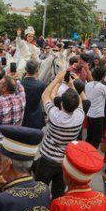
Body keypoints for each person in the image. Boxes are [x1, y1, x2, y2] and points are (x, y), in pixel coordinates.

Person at [34, 71, 85, 199]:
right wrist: (72, 85)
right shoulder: (80, 116)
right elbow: (79, 101)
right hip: (64, 161)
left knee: (40, 190)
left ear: (61, 103)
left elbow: (45, 95)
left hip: (47, 159)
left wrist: (57, 79)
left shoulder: (54, 115)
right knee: (58, 192)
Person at [84, 65, 106, 148]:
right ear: (103, 77)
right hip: (98, 115)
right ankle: (91, 153)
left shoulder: (87, 85)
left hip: (89, 113)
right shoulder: (102, 87)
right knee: (97, 137)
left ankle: (85, 149)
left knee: (90, 134)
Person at [21, 60, 46, 129]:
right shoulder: (41, 85)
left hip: (22, 119)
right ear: (37, 70)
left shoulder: (19, 84)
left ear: (25, 69)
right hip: (37, 120)